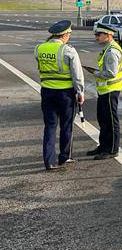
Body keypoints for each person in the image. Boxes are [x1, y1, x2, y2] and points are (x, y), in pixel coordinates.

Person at [35, 20, 84, 171]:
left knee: (50, 126)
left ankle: (49, 161)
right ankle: (64, 156)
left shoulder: (39, 48)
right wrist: (80, 92)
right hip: (65, 93)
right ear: (64, 35)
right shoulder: (68, 50)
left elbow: (39, 63)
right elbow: (77, 75)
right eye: (68, 34)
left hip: (47, 91)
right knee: (66, 125)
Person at [84, 22, 122, 160]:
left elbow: (111, 73)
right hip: (104, 90)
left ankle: (112, 149)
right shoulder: (107, 48)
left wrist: (95, 72)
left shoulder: (112, 51)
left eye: (98, 34)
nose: (96, 37)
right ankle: (103, 146)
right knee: (103, 119)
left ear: (108, 35)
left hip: (110, 90)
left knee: (111, 121)